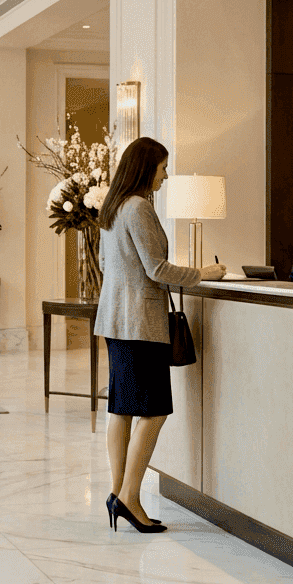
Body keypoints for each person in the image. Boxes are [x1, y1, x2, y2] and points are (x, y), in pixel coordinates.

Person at [94, 137, 225, 534]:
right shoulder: (139, 207)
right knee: (154, 411)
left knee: (121, 409)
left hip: (115, 321)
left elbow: (108, 263)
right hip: (141, 324)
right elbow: (156, 269)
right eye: (163, 167)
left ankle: (118, 492)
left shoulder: (113, 207)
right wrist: (202, 273)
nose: (166, 175)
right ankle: (129, 498)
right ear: (146, 167)